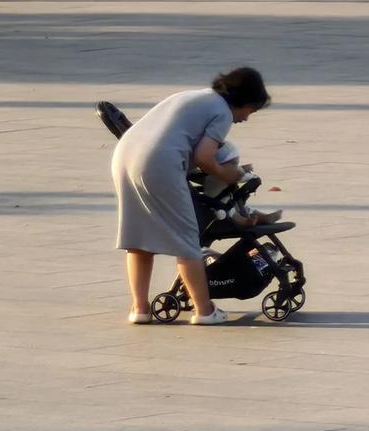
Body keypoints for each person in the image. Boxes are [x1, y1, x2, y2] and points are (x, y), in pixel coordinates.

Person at [111, 67, 270, 325]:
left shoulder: (192, 96)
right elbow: (204, 157)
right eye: (250, 111)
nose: (246, 118)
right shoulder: (222, 111)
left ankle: (139, 309)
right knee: (188, 240)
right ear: (242, 101)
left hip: (124, 156)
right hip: (159, 163)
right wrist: (228, 174)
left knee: (138, 238)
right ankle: (204, 311)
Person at [213, 140, 282, 228]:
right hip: (218, 207)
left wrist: (252, 177)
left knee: (244, 208)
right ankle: (244, 222)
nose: (236, 167)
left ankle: (262, 217)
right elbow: (237, 176)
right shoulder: (216, 176)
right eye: (233, 164)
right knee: (232, 212)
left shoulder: (223, 172)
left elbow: (237, 174)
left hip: (228, 201)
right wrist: (245, 170)